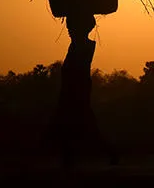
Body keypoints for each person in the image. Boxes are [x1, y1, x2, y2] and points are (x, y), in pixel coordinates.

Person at [50, 13, 117, 167]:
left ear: (80, 29)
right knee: (74, 124)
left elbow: (74, 72)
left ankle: (107, 152)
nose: (68, 29)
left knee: (80, 124)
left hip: (76, 90)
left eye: (71, 26)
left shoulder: (81, 47)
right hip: (74, 89)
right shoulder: (78, 45)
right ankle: (69, 158)